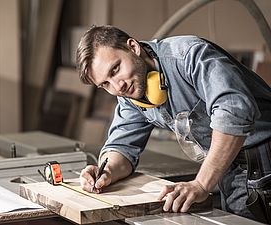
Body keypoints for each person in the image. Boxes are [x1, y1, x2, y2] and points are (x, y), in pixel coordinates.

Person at [76, 25, 271, 223]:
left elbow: (234, 111)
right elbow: (121, 147)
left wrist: (201, 184)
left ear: (133, 47)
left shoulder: (189, 55)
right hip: (228, 165)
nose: (118, 86)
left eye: (115, 69)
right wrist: (107, 172)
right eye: (105, 84)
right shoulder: (130, 93)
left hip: (263, 157)